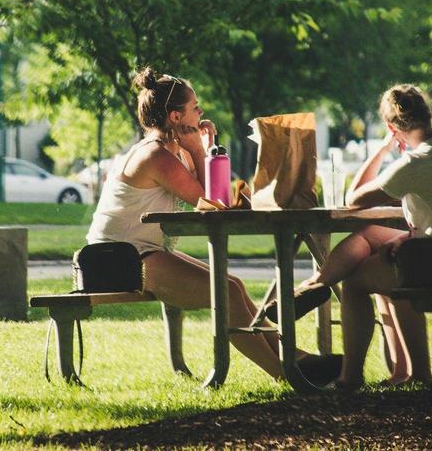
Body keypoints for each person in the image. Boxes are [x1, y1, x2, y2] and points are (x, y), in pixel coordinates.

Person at [267, 84, 432, 387]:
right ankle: (315, 285)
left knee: (355, 282)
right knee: (368, 235)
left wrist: (382, 149)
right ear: (427, 114)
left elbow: (354, 198)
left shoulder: (419, 161)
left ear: (392, 127)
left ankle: (351, 378)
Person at [86, 68, 288, 379]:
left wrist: (202, 151)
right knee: (228, 293)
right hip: (114, 260)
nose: (201, 112)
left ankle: (294, 360)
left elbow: (216, 195)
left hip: (139, 253)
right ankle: (284, 373)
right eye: (195, 107)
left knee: (234, 285)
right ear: (176, 117)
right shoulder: (156, 156)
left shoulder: (174, 153)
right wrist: (197, 149)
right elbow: (214, 203)